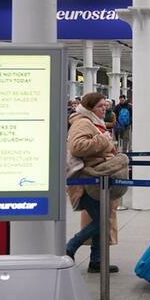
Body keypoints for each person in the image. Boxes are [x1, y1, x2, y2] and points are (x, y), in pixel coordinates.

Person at [64, 92, 120, 273]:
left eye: (105, 105)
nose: (104, 108)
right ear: (90, 108)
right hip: (85, 181)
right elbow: (77, 147)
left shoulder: (96, 122)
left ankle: (96, 261)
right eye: (99, 106)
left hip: (98, 179)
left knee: (102, 219)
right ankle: (70, 247)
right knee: (102, 220)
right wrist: (102, 140)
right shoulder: (83, 122)